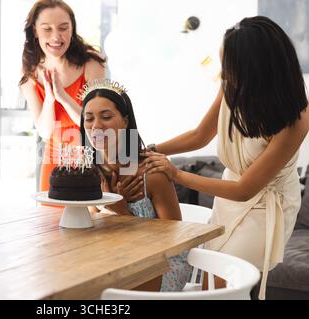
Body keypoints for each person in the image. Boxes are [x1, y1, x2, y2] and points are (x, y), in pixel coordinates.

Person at [141, 16, 309, 299]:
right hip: (228, 196)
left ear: (256, 69)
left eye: (230, 69)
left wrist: (176, 174)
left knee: (226, 285)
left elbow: (245, 191)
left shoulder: (297, 119)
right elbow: (200, 134)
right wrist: (151, 149)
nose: (224, 75)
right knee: (211, 279)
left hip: (265, 207)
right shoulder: (233, 85)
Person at [79, 79, 192, 291]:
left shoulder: (151, 172)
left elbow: (174, 241)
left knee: (101, 293)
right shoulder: (90, 172)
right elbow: (90, 233)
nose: (96, 126)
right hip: (113, 261)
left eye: (106, 117)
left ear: (125, 121)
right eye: (89, 118)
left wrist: (121, 212)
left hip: (161, 264)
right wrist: (103, 205)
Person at [19, 0, 106, 192]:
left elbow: (94, 124)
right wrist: (50, 99)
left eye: (63, 28)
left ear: (72, 28)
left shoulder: (91, 64)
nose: (56, 37)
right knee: (50, 221)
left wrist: (64, 97)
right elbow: (45, 131)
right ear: (35, 31)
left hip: (91, 157)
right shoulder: (30, 73)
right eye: (47, 29)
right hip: (54, 161)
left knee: (92, 219)